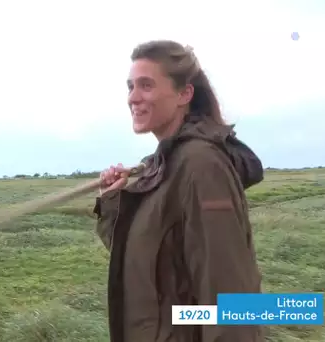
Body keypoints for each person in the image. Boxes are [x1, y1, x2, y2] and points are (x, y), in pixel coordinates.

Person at [93, 40, 265, 342]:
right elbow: (144, 265)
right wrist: (113, 201)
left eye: (146, 85)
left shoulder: (201, 166)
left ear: (184, 94)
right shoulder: (161, 165)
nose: (133, 97)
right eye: (130, 86)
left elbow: (229, 297)